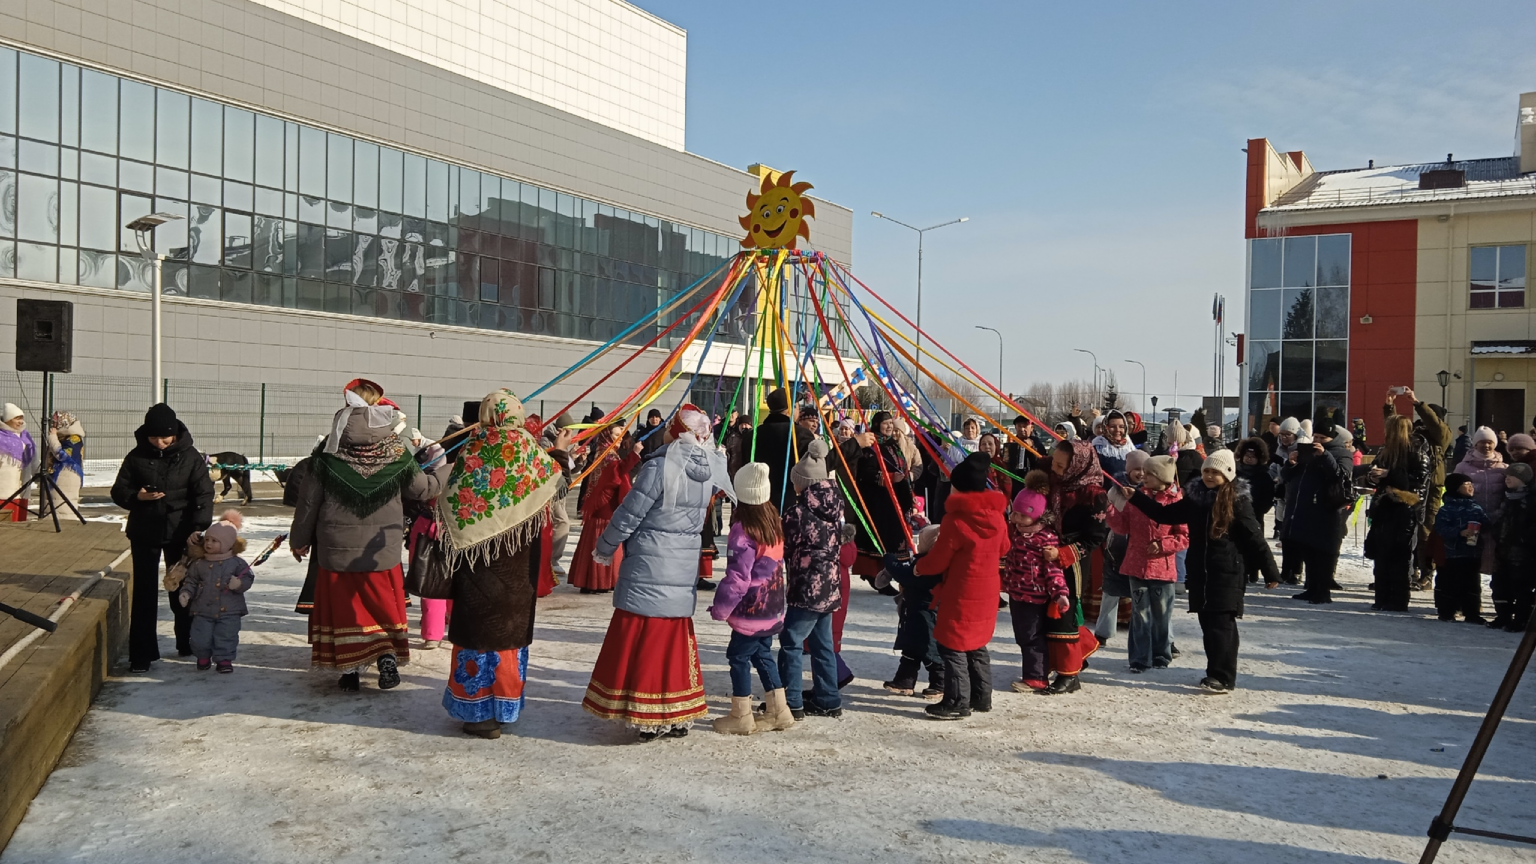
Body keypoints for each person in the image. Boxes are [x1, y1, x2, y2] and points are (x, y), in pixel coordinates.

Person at [583, 404, 735, 741]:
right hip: (681, 567)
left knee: (644, 635)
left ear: (676, 431)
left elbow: (629, 514)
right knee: (672, 639)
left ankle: (645, 712)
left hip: (650, 563)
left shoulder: (661, 467)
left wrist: (605, 547)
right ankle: (678, 712)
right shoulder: (708, 468)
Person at [290, 379, 450, 692]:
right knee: (382, 605)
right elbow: (423, 490)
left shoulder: (328, 453)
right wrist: (450, 468)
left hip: (336, 552)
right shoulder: (395, 451)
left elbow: (308, 502)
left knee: (346, 611)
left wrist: (299, 540)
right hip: (381, 549)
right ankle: (386, 654)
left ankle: (349, 668)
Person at [435, 390, 565, 738]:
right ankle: (503, 708)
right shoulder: (530, 453)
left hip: (476, 562)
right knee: (506, 635)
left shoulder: (471, 449)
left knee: (478, 633)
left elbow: (448, 501)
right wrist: (562, 450)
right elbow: (556, 480)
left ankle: (476, 714)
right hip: (517, 565)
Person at [1128, 449, 1279, 693]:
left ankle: (1222, 676)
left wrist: (1270, 571)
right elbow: (1164, 514)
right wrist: (1135, 498)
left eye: (1215, 472)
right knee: (1208, 624)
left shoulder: (1237, 501)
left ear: (1227, 474)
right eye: (1206, 470)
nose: (1209, 476)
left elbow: (1254, 538)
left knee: (1222, 625)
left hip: (1227, 571)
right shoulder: (1196, 497)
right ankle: (1214, 672)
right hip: (1200, 571)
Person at [111, 403, 215, 672]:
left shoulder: (190, 457)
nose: (159, 442)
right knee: (144, 593)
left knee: (182, 587)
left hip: (181, 532)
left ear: (175, 434)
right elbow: (118, 490)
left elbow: (203, 494)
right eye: (153, 437)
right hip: (144, 531)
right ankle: (142, 654)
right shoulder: (135, 456)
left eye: (164, 437)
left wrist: (198, 526)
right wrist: (137, 497)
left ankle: (187, 641)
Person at [917, 452, 1009, 719]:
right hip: (988, 591)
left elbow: (937, 561)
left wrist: (918, 566)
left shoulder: (956, 521)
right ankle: (982, 697)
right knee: (977, 643)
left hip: (961, 592)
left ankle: (957, 701)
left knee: (953, 645)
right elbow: (1004, 547)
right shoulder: (997, 517)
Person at [708, 463, 790, 735]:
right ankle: (780, 710)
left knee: (738, 656)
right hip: (773, 606)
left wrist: (721, 608)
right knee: (763, 653)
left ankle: (741, 714)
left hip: (752, 609)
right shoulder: (772, 522)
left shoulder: (743, 530)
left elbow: (737, 577)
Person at [778, 441, 845, 719]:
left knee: (791, 641)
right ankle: (828, 698)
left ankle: (791, 700)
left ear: (803, 484)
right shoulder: (836, 508)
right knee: (821, 643)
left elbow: (785, 546)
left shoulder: (797, 513)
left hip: (806, 587)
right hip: (829, 586)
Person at [1038, 439, 1109, 694]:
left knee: (1063, 612)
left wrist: (1064, 553)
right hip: (1048, 555)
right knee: (1047, 611)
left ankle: (1069, 674)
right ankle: (1078, 652)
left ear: (1077, 466)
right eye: (1054, 463)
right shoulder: (1057, 482)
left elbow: (1094, 538)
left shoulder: (1094, 495)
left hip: (1074, 559)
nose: (1055, 469)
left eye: (1060, 465)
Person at [1107, 454, 1186, 672]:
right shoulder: (1137, 498)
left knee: (1162, 613)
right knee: (1139, 613)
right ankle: (1139, 658)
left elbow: (1184, 536)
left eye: (1149, 473)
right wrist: (1111, 510)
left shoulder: (1176, 501)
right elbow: (1123, 527)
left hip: (1163, 569)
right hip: (1136, 565)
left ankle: (1161, 654)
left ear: (1162, 477)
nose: (1144, 475)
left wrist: (1163, 545)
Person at [1364, 412, 1434, 612]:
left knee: (1400, 556)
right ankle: (1382, 597)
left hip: (1405, 506)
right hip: (1384, 504)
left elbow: (1420, 479)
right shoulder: (1386, 450)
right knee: (1381, 554)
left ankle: (1398, 600)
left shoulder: (1417, 448)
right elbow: (1374, 471)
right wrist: (1373, 477)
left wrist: (1389, 474)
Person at [1003, 487, 1067, 693]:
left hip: (1034, 597)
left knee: (1031, 636)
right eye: (1015, 514)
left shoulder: (1045, 540)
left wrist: (1060, 594)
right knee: (1023, 636)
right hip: (1017, 594)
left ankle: (1036, 678)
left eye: (1023, 515)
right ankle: (1036, 671)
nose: (1017, 519)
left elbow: (1053, 570)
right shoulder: (1018, 535)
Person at [175, 511, 252, 673]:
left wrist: (238, 584)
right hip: (202, 609)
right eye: (207, 540)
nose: (208, 544)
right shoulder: (199, 563)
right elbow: (192, 580)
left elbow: (247, 578)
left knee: (226, 636)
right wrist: (186, 593)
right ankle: (202, 656)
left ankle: (224, 660)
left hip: (229, 609)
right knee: (199, 637)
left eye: (214, 541)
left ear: (227, 543)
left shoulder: (236, 563)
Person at [570, 423, 641, 594]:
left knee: (598, 541)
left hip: (602, 505)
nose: (619, 439)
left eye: (620, 435)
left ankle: (596, 580)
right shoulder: (607, 455)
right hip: (604, 505)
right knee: (604, 541)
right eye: (616, 434)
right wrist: (635, 454)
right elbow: (616, 476)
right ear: (607, 436)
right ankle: (598, 581)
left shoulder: (605, 452)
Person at [1281, 430, 1343, 605]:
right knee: (1308, 550)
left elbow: (1339, 474)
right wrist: (1291, 463)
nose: (1317, 440)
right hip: (1304, 509)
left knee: (1323, 552)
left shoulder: (1340, 453)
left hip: (1326, 510)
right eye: (1315, 437)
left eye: (1322, 437)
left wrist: (1325, 456)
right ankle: (1311, 588)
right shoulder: (1305, 455)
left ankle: (1323, 591)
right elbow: (1286, 477)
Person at [852, 411, 915, 564]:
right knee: (881, 536)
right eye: (885, 423)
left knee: (895, 536)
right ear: (876, 425)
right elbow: (865, 472)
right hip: (878, 501)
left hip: (896, 499)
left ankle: (894, 570)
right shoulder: (869, 446)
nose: (889, 426)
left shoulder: (893, 444)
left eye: (890, 423)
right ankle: (877, 572)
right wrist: (890, 478)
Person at [745, 388, 811, 511]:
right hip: (789, 502)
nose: (799, 411)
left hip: (757, 501)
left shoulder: (752, 435)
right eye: (797, 407)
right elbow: (816, 468)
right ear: (790, 409)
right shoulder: (799, 434)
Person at [1434, 473, 1488, 623]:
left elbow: (1487, 524)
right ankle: (1447, 611)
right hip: (1454, 553)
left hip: (1473, 552)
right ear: (1456, 488)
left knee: (1472, 584)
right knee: (1452, 583)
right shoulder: (1447, 509)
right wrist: (1459, 532)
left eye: (1471, 484)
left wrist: (1485, 526)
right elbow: (1441, 528)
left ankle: (1472, 613)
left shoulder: (1476, 507)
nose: (1471, 487)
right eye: (1466, 484)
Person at [1454, 427, 1507, 577]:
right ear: (1475, 444)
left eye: (1490, 442)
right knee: (1471, 563)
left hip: (1496, 522)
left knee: (1496, 562)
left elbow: (1508, 496)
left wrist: (1498, 514)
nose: (1486, 446)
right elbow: (1453, 493)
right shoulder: (1462, 467)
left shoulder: (1504, 468)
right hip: (1471, 524)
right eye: (1482, 442)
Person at [1490, 463, 1534, 631]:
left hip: (1522, 552)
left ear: (1522, 480)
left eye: (1512, 476)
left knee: (1521, 586)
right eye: (1506, 475)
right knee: (1499, 585)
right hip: (1503, 548)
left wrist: (1523, 539)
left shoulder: (1530, 500)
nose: (1507, 478)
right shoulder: (1507, 497)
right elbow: (1499, 520)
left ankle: (1521, 619)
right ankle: (1503, 616)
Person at [1233, 438, 1274, 583]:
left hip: (1255, 515)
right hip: (1235, 515)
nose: (1249, 459)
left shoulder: (1264, 476)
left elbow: (1268, 497)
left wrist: (1259, 510)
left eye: (1253, 457)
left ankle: (1254, 571)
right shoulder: (1234, 472)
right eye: (1247, 456)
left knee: (1255, 543)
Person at [42, 411, 86, 515]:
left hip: (66, 477)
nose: (53, 426)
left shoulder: (74, 439)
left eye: (55, 423)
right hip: (58, 476)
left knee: (63, 508)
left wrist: (52, 438)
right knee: (52, 507)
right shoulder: (62, 438)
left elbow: (62, 455)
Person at [0, 403, 38, 512]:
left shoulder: (25, 436)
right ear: (8, 419)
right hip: (4, 489)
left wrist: (38, 475)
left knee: (20, 522)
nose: (21, 421)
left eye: (21, 418)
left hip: (22, 489)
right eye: (17, 418)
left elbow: (34, 459)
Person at [1091, 409, 1136, 479]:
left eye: (1121, 427)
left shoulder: (1129, 446)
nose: (1117, 430)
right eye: (1112, 427)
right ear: (1106, 427)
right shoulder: (1097, 447)